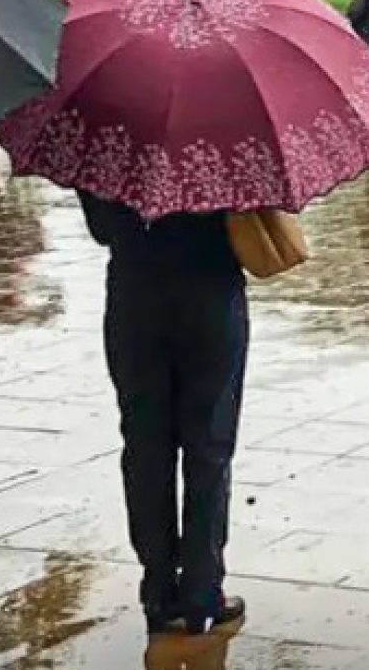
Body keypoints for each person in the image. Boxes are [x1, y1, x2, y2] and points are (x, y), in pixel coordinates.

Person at [79, 192, 248, 636]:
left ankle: (157, 590)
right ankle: (202, 592)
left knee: (145, 446)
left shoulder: (100, 135)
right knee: (209, 446)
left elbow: (101, 231)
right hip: (210, 293)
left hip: (134, 299)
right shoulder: (225, 129)